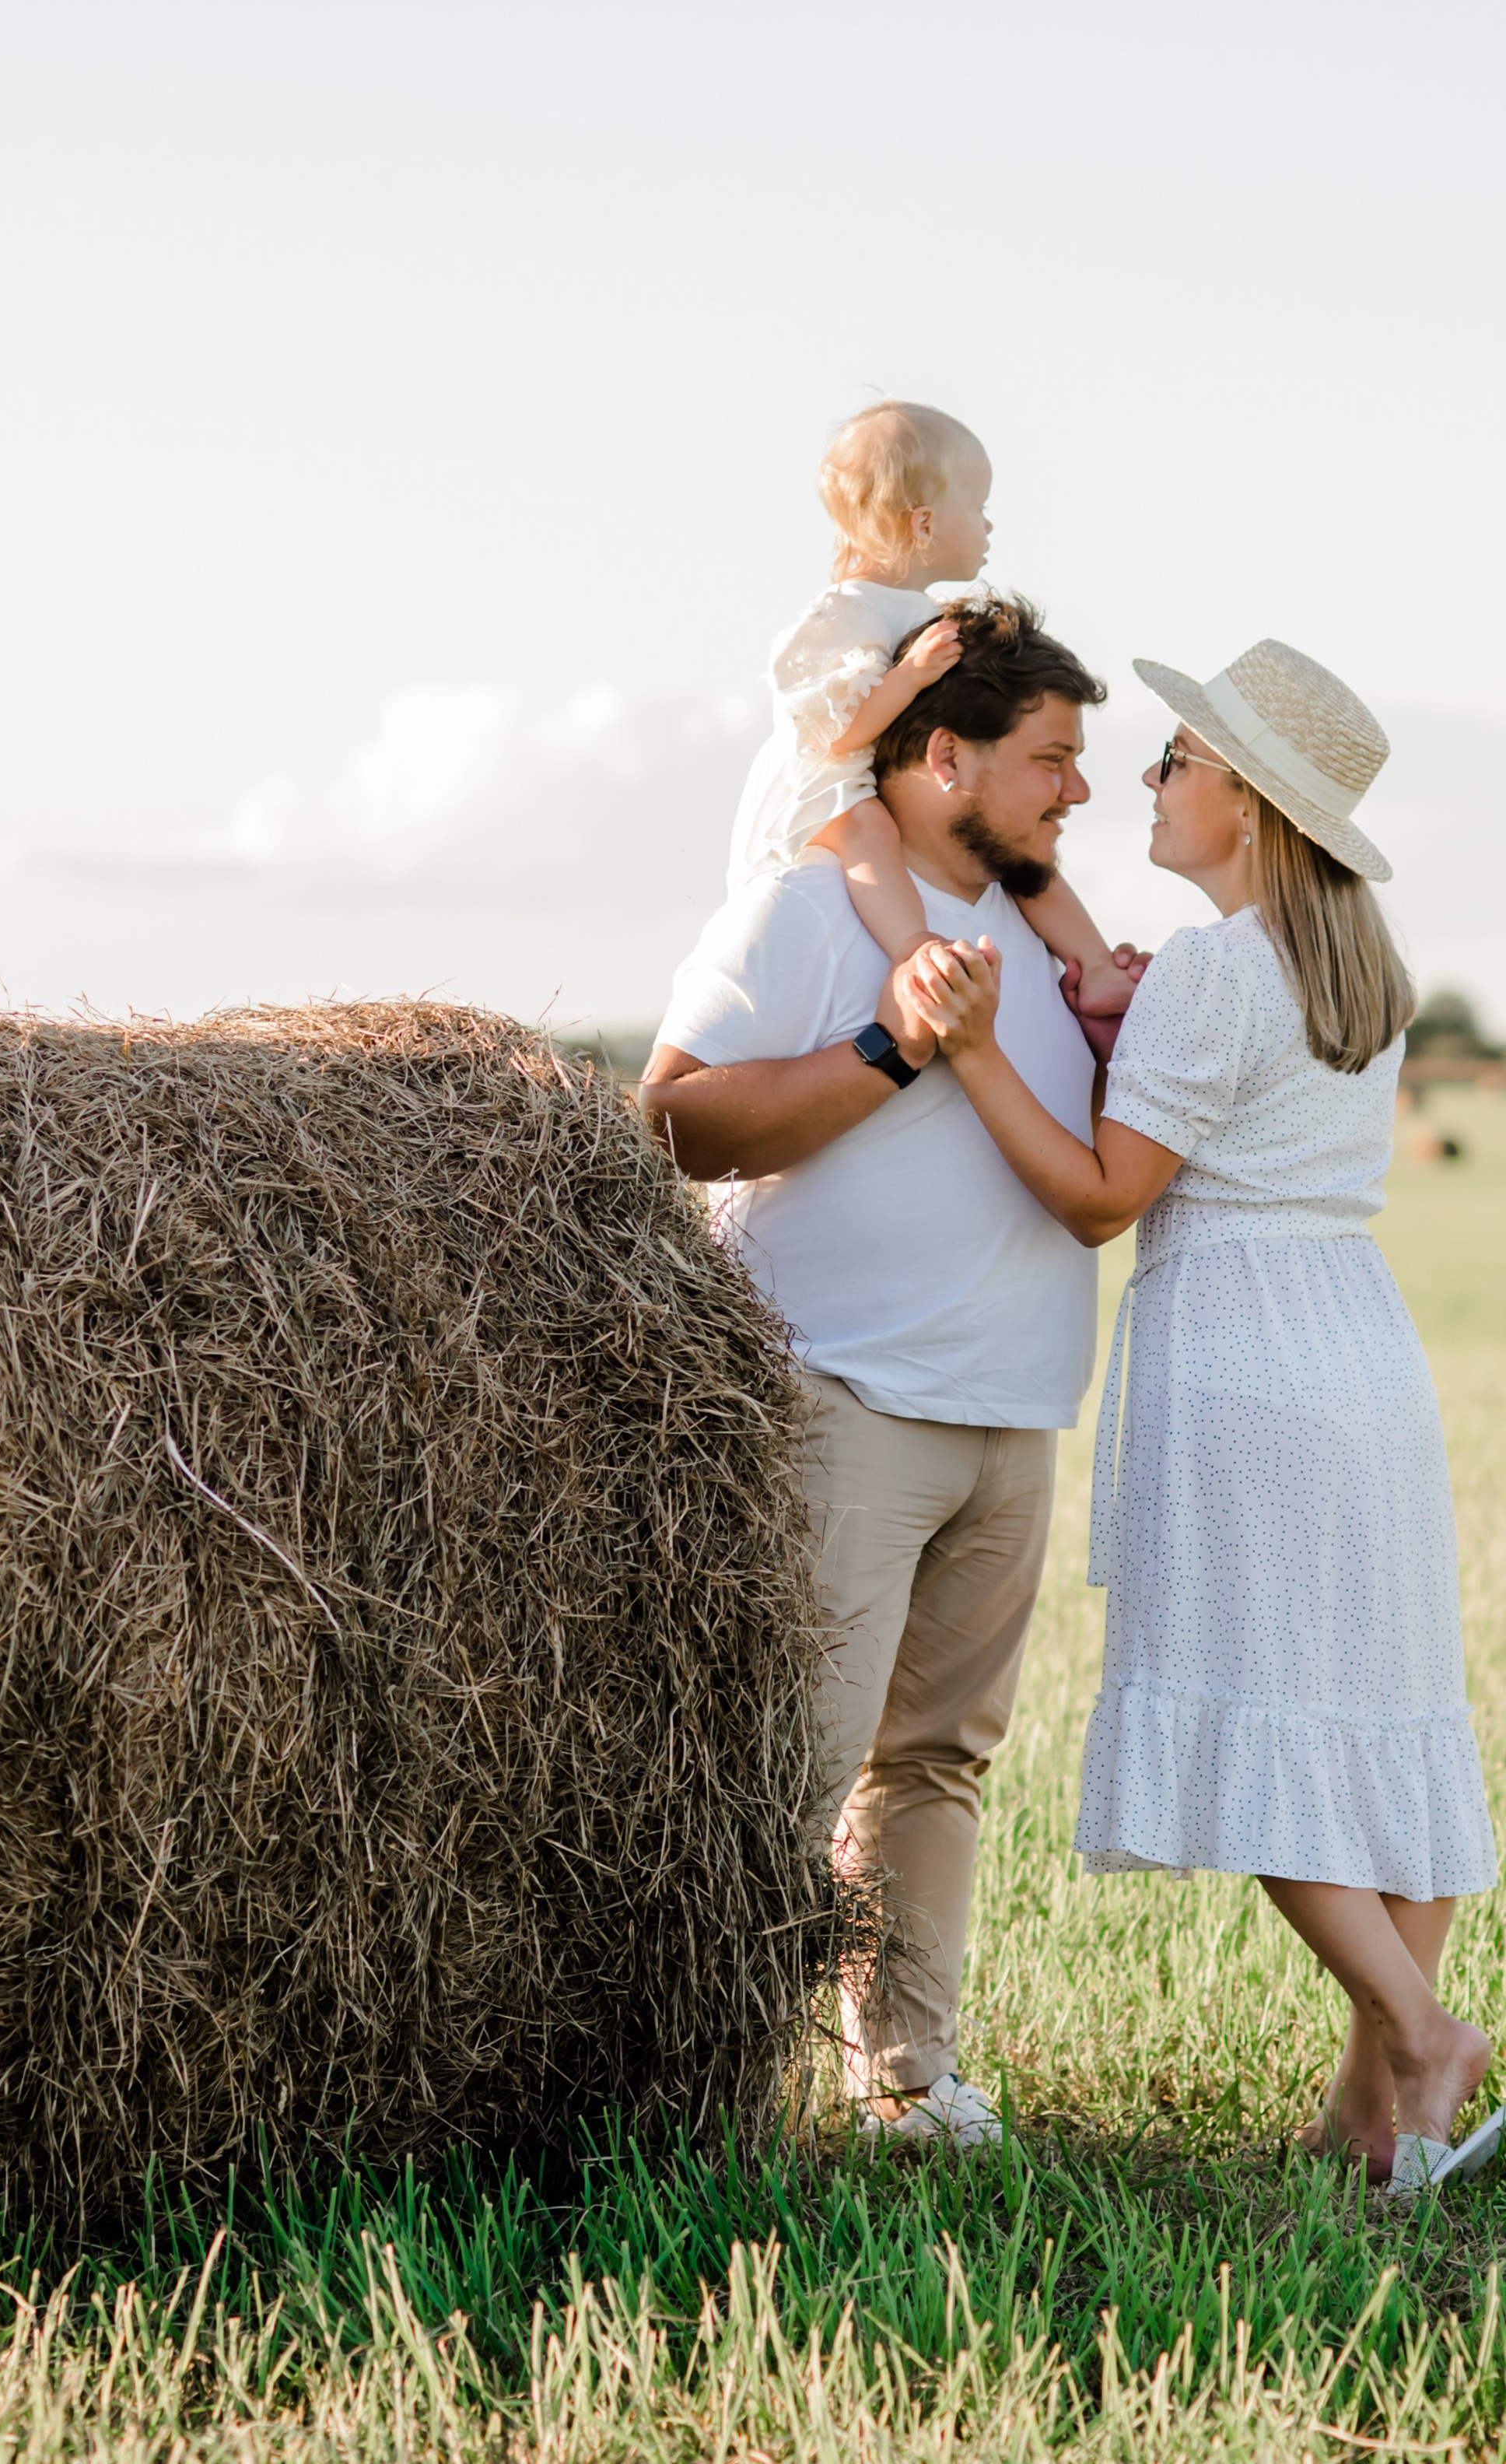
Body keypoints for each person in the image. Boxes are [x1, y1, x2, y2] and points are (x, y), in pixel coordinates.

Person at [910, 640, 1501, 2195]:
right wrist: (1114, 1006)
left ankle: (1419, 2032)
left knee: (1257, 1725)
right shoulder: (1344, 966)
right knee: (1372, 1724)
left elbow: (1105, 1197)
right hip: (1356, 1350)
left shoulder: (1220, 971)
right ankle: (1368, 2121)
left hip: (1237, 1355)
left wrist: (972, 1053)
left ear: (1247, 806)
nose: (1153, 784)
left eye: (1178, 760)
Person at [643, 594, 1109, 2146]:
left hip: (1013, 1413)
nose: (1073, 791)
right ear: (937, 756)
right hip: (841, 1402)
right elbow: (674, 1117)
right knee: (792, 1764)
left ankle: (903, 2080)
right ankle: (699, 2095)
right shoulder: (803, 912)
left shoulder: (1048, 938)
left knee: (935, 1767)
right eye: (1046, 758)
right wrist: (884, 1052)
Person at [724, 399, 1143, 1029]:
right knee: (869, 833)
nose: (990, 527)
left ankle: (1097, 966)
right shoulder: (846, 616)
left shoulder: (920, 612)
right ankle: (913, 949)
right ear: (923, 526)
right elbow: (837, 736)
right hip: (838, 785)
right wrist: (911, 675)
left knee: (1019, 849)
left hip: (896, 780)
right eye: (978, 510)